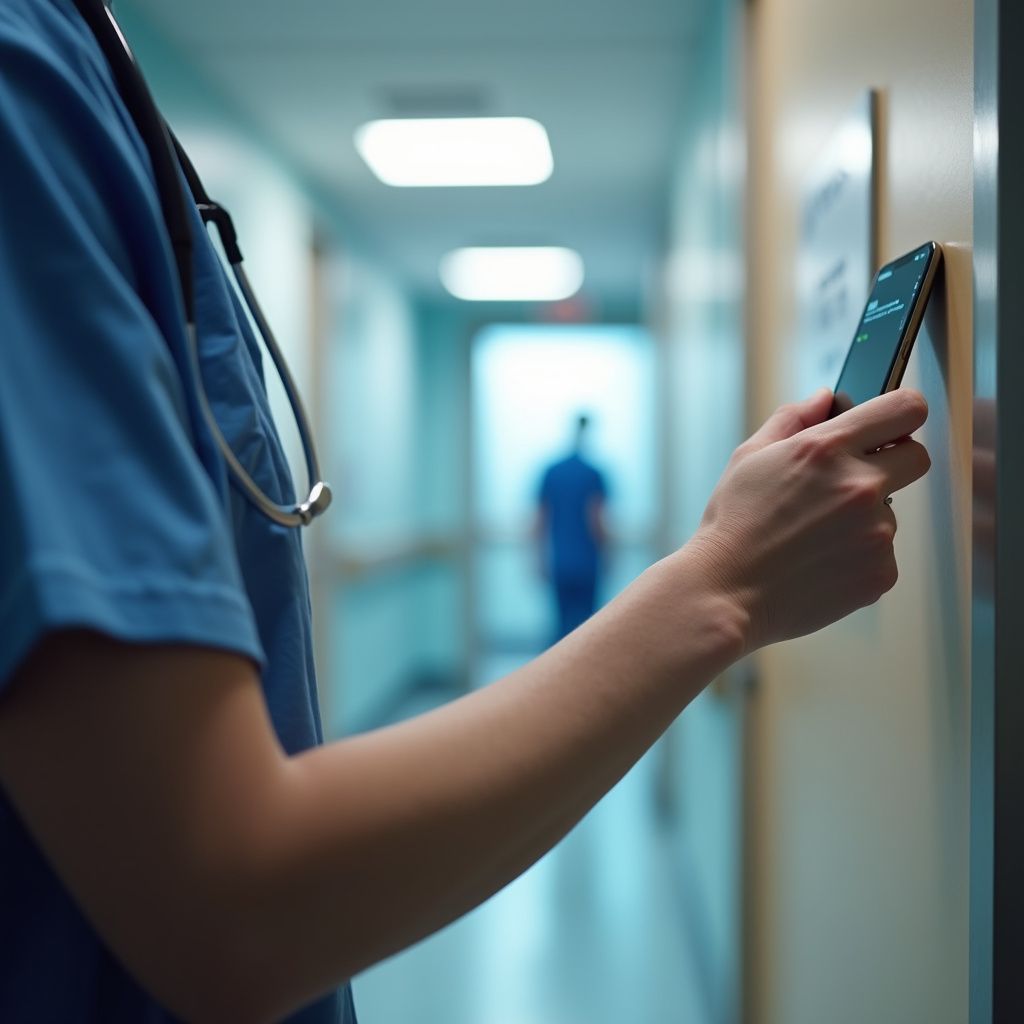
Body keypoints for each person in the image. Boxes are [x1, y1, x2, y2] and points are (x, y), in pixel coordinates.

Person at [0, 2, 932, 1022]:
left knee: (568, 628)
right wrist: (723, 582)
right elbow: (228, 901)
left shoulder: (78, 68)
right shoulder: (23, 79)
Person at [535, 414, 609, 642]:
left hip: (561, 561)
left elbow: (540, 521)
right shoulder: (593, 474)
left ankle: (555, 675)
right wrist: (609, 555)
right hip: (587, 562)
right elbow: (596, 520)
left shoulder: (552, 471)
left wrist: (538, 558)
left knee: (560, 626)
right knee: (588, 628)